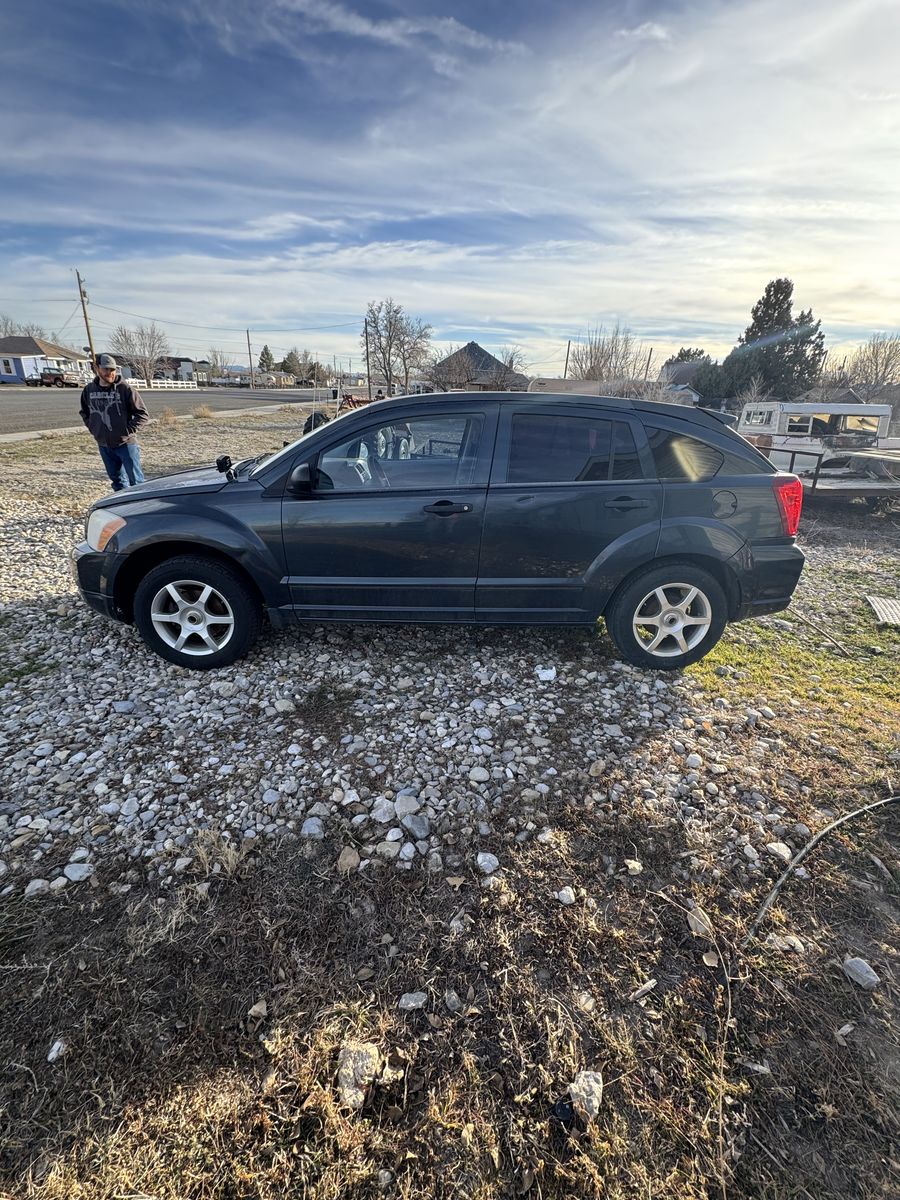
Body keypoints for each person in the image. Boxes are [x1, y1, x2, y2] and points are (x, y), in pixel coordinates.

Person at [79, 354, 150, 490]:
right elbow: (84, 412)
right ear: (97, 368)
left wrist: (126, 431)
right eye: (106, 369)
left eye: (112, 370)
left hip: (126, 445)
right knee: (117, 482)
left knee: (137, 482)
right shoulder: (89, 390)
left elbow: (142, 414)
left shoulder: (125, 389)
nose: (110, 373)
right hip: (104, 445)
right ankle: (123, 503)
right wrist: (94, 429)